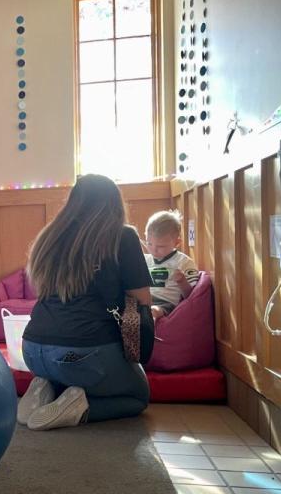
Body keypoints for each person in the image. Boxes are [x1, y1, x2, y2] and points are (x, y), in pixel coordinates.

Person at [18, 174, 153, 431]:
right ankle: (80, 406)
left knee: (68, 367)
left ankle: (45, 386)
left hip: (33, 350)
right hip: (81, 354)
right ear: (114, 203)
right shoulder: (122, 236)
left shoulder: (50, 237)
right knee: (137, 396)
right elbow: (142, 300)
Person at [143, 210, 200, 321]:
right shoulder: (144, 259)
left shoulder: (184, 262)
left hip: (165, 303)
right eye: (149, 243)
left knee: (154, 311)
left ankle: (150, 328)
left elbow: (192, 296)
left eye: (161, 246)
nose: (153, 250)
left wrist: (182, 280)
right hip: (144, 299)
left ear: (176, 243)